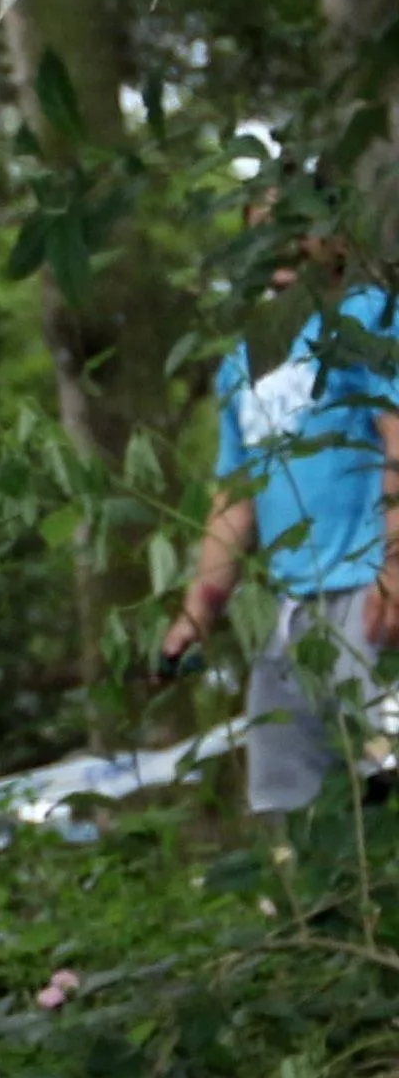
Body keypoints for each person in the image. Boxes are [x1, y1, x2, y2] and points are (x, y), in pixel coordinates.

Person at [161, 220, 399, 818]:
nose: (284, 246)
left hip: (371, 593)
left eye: (297, 227)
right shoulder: (245, 359)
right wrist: (200, 608)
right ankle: (318, 910)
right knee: (288, 802)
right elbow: (237, 493)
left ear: (338, 240)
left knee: (387, 772)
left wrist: (395, 566)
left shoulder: (369, 314)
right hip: (291, 609)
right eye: (263, 234)